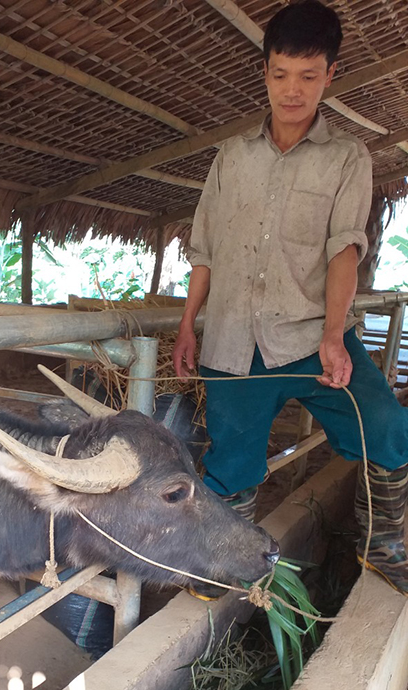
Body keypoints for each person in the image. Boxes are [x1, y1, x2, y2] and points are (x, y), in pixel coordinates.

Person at [172, 0, 408, 598]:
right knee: (232, 462)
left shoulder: (346, 157)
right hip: (231, 339)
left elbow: (343, 251)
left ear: (330, 75)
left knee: (385, 425)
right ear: (265, 73)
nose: (292, 90)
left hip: (311, 337)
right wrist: (186, 325)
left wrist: (335, 333)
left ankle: (382, 545)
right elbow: (204, 250)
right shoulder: (231, 156)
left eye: (308, 76)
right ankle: (230, 567)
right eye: (280, 75)